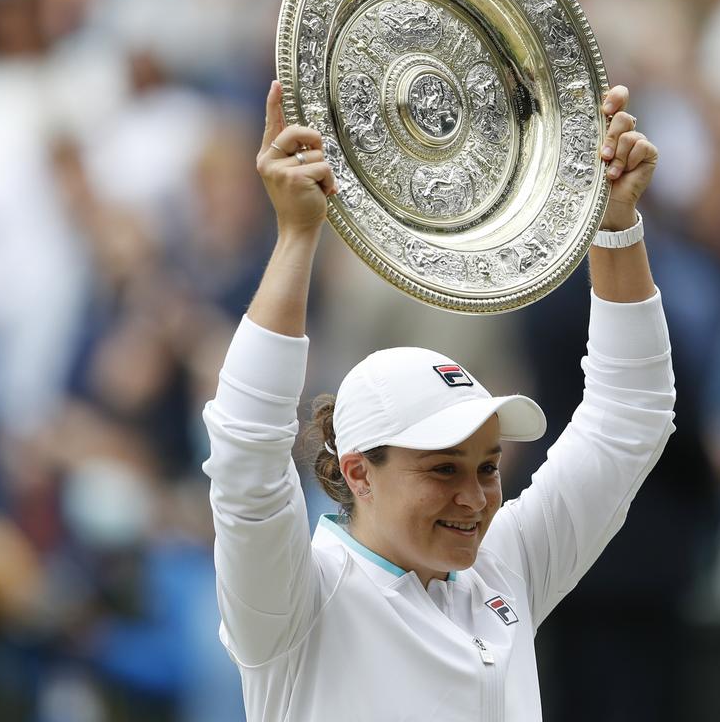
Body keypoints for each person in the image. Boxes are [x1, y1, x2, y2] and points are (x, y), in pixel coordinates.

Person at [202, 79, 676, 721]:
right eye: (443, 467)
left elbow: (629, 418)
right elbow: (244, 452)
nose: (476, 497)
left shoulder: (502, 565)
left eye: (486, 466)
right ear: (358, 471)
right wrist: (295, 237)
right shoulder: (295, 600)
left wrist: (615, 224)